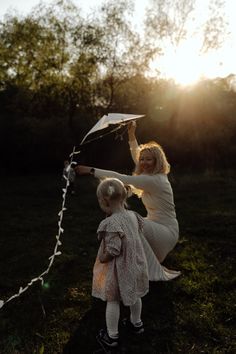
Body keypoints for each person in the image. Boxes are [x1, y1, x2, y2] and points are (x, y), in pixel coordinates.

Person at [75, 121, 180, 281]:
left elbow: (121, 177)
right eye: (142, 159)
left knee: (129, 219)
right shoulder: (150, 176)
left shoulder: (155, 180)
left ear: (157, 161)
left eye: (149, 160)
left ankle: (139, 268)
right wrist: (131, 135)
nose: (143, 163)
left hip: (165, 232)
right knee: (126, 222)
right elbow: (136, 154)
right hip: (156, 229)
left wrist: (91, 170)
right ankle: (126, 263)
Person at [92, 178, 149, 348]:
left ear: (105, 201)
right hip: (135, 263)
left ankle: (112, 337)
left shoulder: (110, 223)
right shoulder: (133, 216)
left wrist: (102, 257)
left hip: (119, 270)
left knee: (113, 299)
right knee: (136, 294)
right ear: (124, 197)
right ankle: (136, 323)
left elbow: (114, 249)